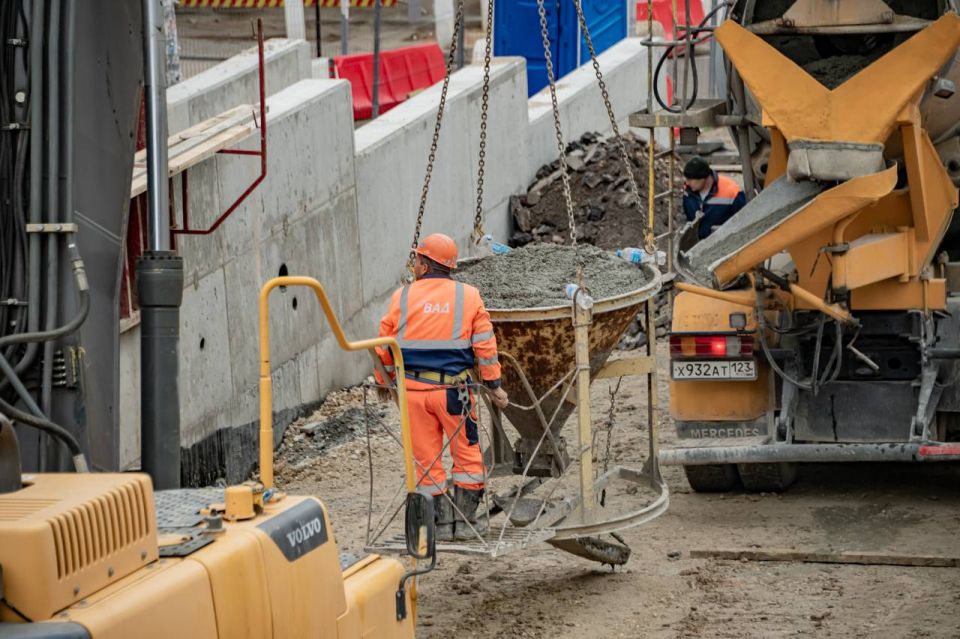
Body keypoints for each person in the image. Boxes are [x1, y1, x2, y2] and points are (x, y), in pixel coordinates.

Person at [376, 233, 509, 542]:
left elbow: (383, 342)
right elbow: (486, 346)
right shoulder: (469, 296)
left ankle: (440, 525)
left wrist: (384, 382)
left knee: (426, 460)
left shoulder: (402, 297)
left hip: (413, 393)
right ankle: (464, 524)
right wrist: (493, 385)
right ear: (449, 266)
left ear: (424, 265)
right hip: (455, 393)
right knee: (466, 456)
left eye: (417, 261)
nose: (414, 266)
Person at [682, 156, 747, 239]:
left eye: (690, 179)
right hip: (697, 245)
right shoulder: (688, 192)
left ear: (703, 178)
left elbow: (744, 221)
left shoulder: (732, 192)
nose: (687, 183)